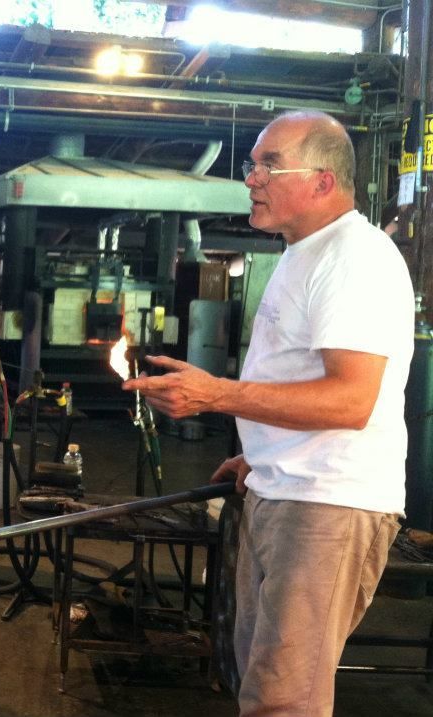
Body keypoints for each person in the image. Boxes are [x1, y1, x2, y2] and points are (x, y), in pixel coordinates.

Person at [124, 111, 413, 716]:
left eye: (269, 164)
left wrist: (217, 395)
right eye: (253, 163)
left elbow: (351, 399)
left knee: (286, 701)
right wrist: (260, 456)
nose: (251, 178)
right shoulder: (303, 253)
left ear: (323, 181)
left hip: (327, 505)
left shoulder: (355, 256)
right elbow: (300, 381)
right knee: (263, 685)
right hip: (289, 492)